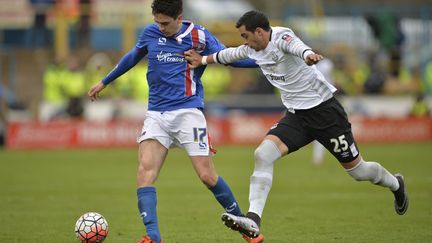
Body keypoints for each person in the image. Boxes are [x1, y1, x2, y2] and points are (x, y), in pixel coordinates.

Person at [184, 10, 408, 242]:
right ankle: (253, 219)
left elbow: (298, 47)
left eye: (245, 35)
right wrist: (202, 60)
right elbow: (228, 55)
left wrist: (309, 55)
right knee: (263, 154)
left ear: (259, 32)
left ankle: (395, 183)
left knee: (358, 171)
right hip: (297, 117)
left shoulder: (282, 37)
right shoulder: (253, 48)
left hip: (325, 112)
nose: (244, 41)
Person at [87, 1, 257, 243]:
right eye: (158, 22)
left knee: (207, 176)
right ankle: (153, 236)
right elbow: (131, 57)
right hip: (156, 114)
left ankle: (245, 227)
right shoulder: (150, 32)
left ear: (180, 17)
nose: (161, 28)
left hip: (188, 113)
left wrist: (264, 62)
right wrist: (104, 82)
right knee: (145, 172)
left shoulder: (199, 35)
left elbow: (228, 57)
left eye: (165, 23)